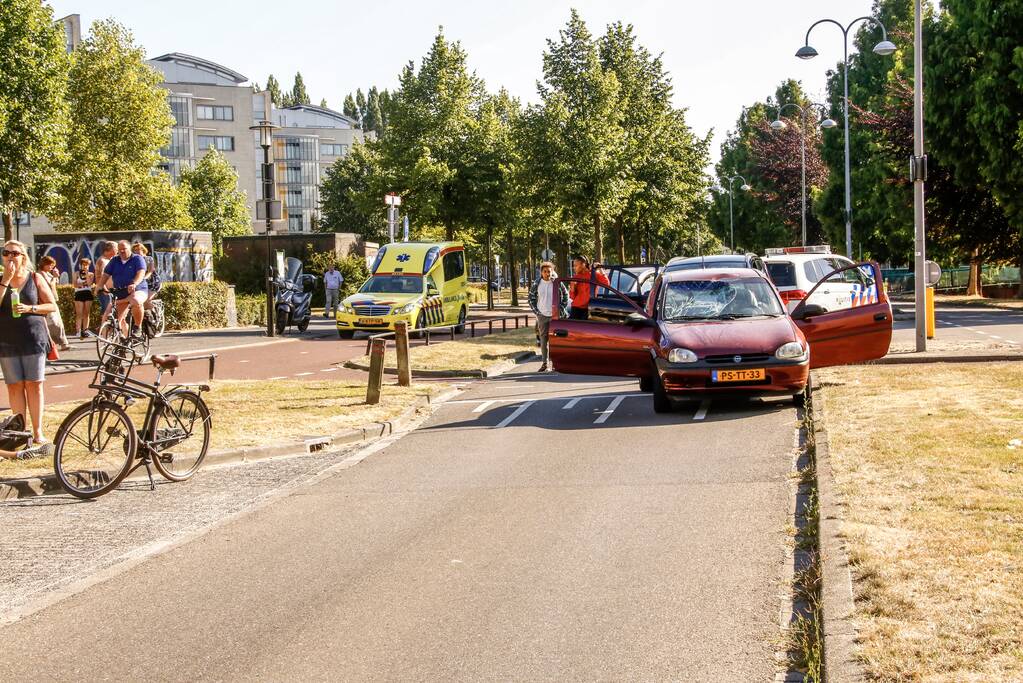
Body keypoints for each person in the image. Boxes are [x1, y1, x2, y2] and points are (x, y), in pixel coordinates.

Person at [0, 240, 58, 449]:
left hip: (33, 338)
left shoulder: (35, 278)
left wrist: (31, 308)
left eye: (15, 253)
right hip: (7, 341)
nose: (10, 257)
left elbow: (51, 305)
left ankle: (37, 432)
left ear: (23, 256)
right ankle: (19, 433)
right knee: (14, 386)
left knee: (34, 384)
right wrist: (6, 280)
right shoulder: (1, 280)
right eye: (6, 253)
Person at [101, 240, 148, 338]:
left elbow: (141, 273)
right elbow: (105, 275)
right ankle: (123, 340)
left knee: (135, 300)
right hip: (121, 292)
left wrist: (134, 283)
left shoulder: (137, 259)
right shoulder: (114, 260)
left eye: (124, 249)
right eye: (120, 249)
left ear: (129, 249)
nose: (122, 251)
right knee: (114, 317)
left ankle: (137, 327)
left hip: (137, 289)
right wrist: (99, 286)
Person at [528, 261, 569, 373]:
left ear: (552, 272)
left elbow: (566, 294)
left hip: (555, 315)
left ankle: (555, 363)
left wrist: (561, 308)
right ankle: (545, 363)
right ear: (541, 272)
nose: (547, 273)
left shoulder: (556, 283)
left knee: (555, 341)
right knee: (543, 340)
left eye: (549, 271)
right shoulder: (537, 283)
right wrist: (537, 312)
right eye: (545, 271)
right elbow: (530, 298)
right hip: (542, 315)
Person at [37, 256, 71, 351]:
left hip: (52, 299)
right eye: (50, 265)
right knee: (54, 322)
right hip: (47, 300)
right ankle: (61, 343)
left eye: (53, 265)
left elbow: (54, 285)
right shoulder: (41, 274)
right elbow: (48, 285)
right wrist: (55, 277)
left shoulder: (47, 273)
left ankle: (61, 343)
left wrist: (55, 277)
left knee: (56, 322)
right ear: (44, 264)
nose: (52, 267)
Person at [568, 255, 609, 320]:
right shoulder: (575, 277)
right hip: (576, 308)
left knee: (584, 329)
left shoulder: (593, 275)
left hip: (589, 308)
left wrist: (600, 269)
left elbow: (606, 284)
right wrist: (572, 288)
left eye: (576, 265)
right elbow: (572, 297)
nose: (574, 268)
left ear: (583, 264)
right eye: (573, 266)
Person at [131, 242, 160, 307]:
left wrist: (143, 278)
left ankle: (154, 314)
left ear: (143, 250)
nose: (137, 251)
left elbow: (150, 271)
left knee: (146, 301)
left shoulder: (149, 258)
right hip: (140, 283)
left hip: (152, 283)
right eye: (135, 250)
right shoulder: (133, 260)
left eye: (139, 249)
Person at [72, 257, 95, 338]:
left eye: (87, 265)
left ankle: (85, 330)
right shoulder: (76, 273)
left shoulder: (91, 274)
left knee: (87, 313)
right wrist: (82, 284)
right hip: (78, 293)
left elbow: (89, 284)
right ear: (80, 265)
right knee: (79, 313)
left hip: (88, 293)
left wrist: (86, 274)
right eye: (83, 265)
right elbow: (75, 284)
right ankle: (78, 331)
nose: (85, 267)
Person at [94, 241, 117, 322]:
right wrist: (104, 289)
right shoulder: (102, 260)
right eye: (116, 249)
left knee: (111, 311)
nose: (117, 251)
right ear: (111, 249)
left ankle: (109, 331)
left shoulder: (110, 260)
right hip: (105, 290)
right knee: (106, 310)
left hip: (111, 290)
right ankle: (104, 331)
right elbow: (99, 276)